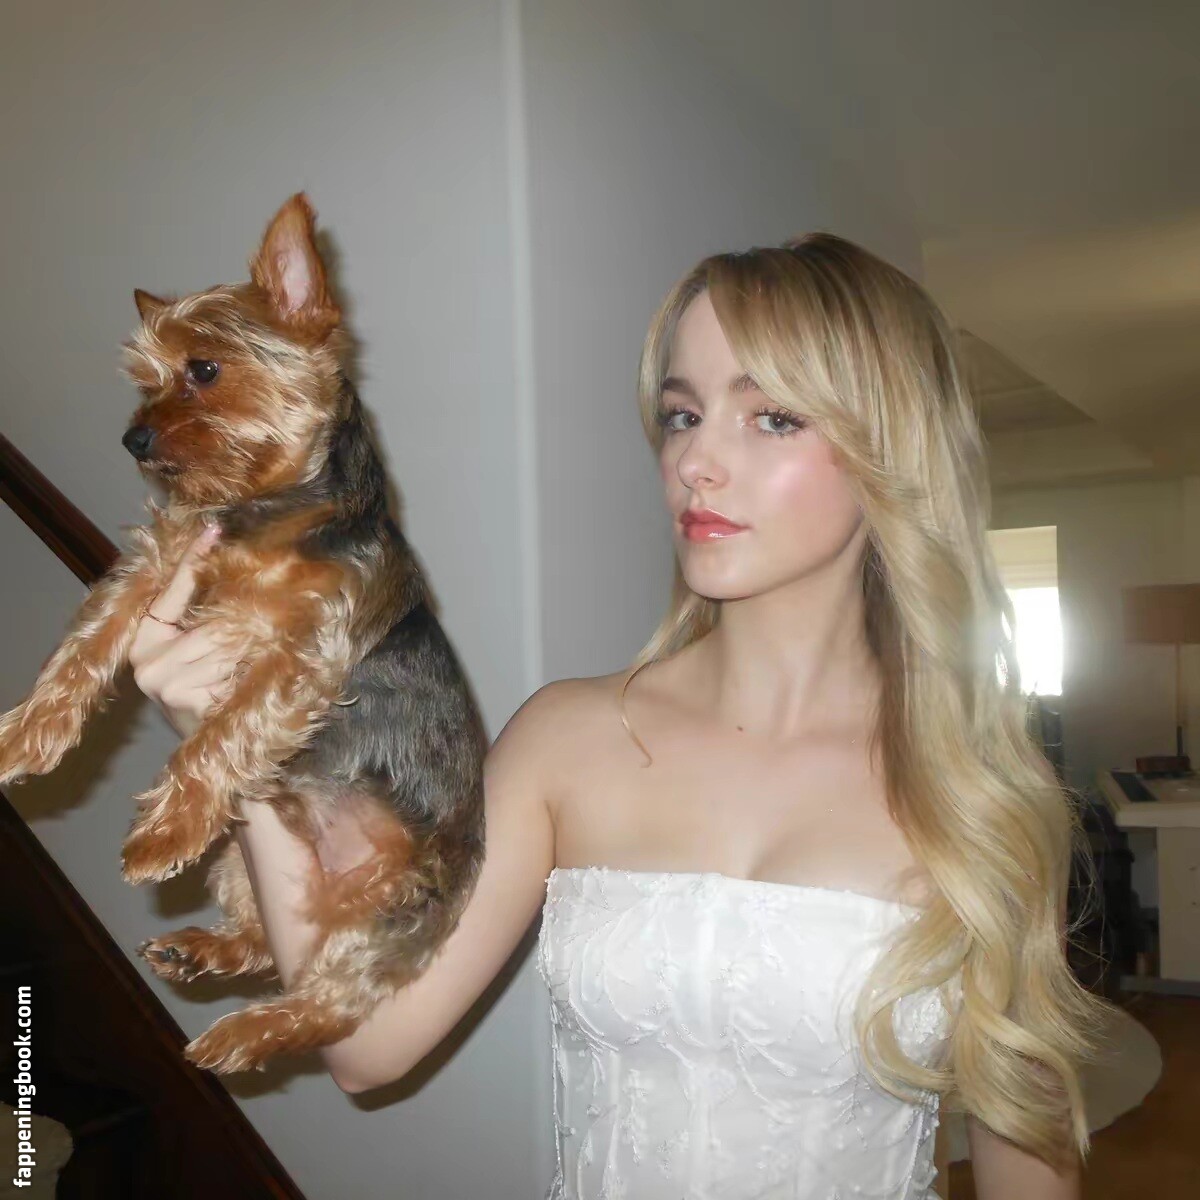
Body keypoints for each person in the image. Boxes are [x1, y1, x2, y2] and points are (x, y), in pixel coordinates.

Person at [130, 233, 1109, 1198]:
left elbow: (1026, 1154)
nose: (697, 463)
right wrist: (242, 753)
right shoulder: (568, 740)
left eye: (772, 418)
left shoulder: (973, 791)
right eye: (683, 415)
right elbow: (367, 1043)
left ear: (889, 447)